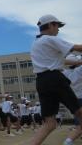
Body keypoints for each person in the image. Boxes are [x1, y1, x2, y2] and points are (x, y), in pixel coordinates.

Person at [30, 14, 82, 145]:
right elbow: (77, 48)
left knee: (50, 123)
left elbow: (62, 60)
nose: (58, 29)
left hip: (41, 81)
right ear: (51, 25)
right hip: (55, 79)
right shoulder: (50, 39)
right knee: (79, 112)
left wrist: (78, 62)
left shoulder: (36, 43)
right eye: (57, 26)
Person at [63, 54, 82, 144]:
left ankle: (68, 141)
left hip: (73, 101)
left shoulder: (64, 73)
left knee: (79, 126)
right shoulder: (80, 70)